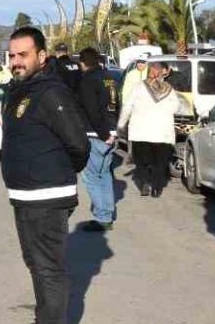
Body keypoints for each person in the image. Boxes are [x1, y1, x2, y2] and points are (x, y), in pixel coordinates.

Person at [2, 26, 91, 324]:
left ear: (42, 56)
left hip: (47, 196)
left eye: (23, 55)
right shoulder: (20, 90)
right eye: (12, 55)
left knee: (49, 270)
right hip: (24, 196)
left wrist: (55, 174)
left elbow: (78, 145)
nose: (16, 61)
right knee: (35, 265)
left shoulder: (52, 92)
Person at [117, 59, 190, 198]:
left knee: (142, 162)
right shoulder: (169, 89)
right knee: (159, 163)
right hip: (162, 134)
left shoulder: (138, 87)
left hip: (140, 132)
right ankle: (156, 188)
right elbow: (177, 107)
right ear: (162, 73)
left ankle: (144, 184)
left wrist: (121, 124)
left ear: (149, 72)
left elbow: (127, 106)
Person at [75, 47, 119, 231]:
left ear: (83, 62)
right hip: (110, 132)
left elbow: (92, 111)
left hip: (96, 135)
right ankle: (107, 212)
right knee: (105, 175)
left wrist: (104, 134)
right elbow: (116, 104)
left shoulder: (88, 80)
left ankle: (102, 217)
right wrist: (113, 132)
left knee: (91, 177)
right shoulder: (109, 77)